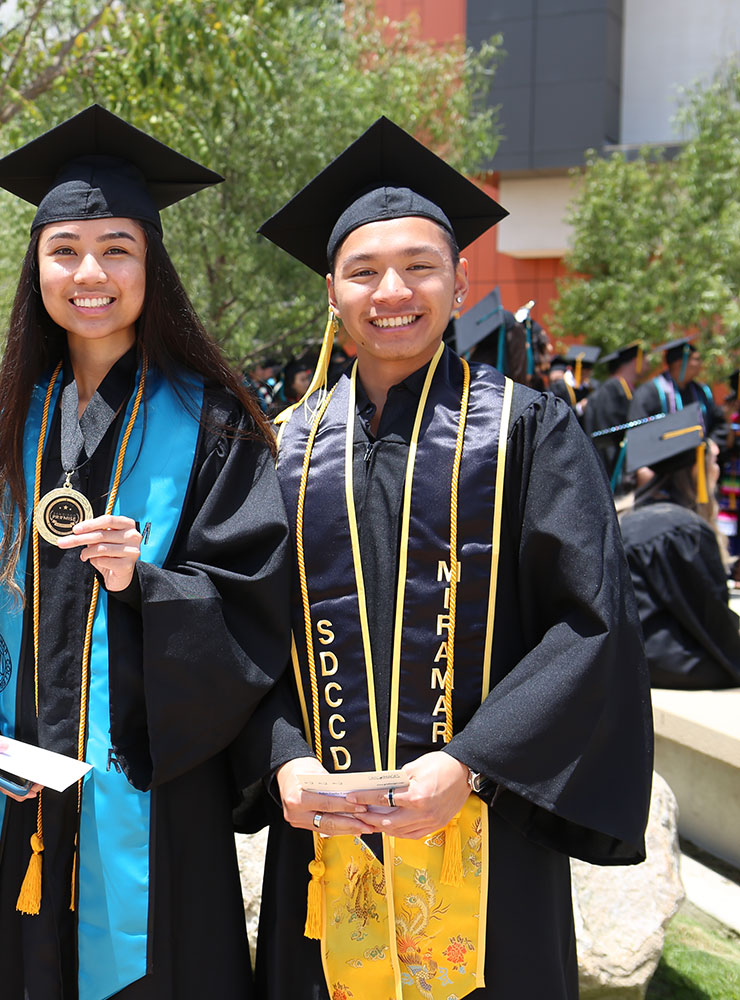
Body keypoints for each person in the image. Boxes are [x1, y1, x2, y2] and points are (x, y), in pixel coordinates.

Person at [0, 105, 292, 999]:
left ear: (152, 267)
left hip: (151, 803)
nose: (90, 273)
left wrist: (147, 585)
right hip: (19, 790)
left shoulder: (216, 427)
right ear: (35, 267)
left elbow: (256, 612)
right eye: (65, 248)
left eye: (118, 248)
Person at [253, 116, 652, 1000]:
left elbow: (589, 621)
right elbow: (239, 631)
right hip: (326, 822)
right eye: (364, 271)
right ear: (332, 292)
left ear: (459, 279)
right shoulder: (279, 450)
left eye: (419, 266)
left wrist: (471, 762)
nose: (391, 289)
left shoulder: (530, 431)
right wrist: (286, 757)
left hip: (484, 820)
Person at [619, 408, 740, 689]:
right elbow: (709, 616)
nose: (718, 470)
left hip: (621, 658)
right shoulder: (682, 529)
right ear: (698, 468)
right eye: (714, 461)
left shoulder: (624, 515)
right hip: (660, 661)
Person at [629, 338, 721, 434]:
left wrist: (712, 441)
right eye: (696, 359)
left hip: (701, 448)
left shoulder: (702, 391)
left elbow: (718, 423)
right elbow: (638, 432)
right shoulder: (649, 393)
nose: (701, 364)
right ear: (680, 363)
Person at [582, 342, 645, 482]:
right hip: (610, 467)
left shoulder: (624, 388)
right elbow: (607, 433)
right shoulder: (611, 390)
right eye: (644, 358)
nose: (648, 363)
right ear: (635, 362)